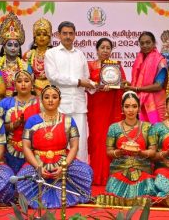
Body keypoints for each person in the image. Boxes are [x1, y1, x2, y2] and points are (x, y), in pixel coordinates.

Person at [16, 85, 92, 208]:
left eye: (54, 97)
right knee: (22, 180)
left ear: (60, 100)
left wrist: (64, 166)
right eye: (46, 97)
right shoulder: (32, 121)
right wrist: (38, 166)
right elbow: (26, 147)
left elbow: (74, 146)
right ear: (41, 100)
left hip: (62, 161)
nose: (50, 100)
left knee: (85, 172)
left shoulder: (68, 120)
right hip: (38, 162)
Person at [44, 21, 94, 163]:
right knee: (60, 141)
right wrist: (78, 82)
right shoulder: (51, 53)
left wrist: (94, 86)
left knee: (81, 142)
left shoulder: (80, 54)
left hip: (79, 105)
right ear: (58, 35)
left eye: (71, 33)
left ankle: (81, 176)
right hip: (59, 106)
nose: (67, 36)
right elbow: (53, 77)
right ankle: (59, 176)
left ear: (75, 35)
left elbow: (86, 78)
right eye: (64, 33)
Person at [104, 91, 156, 201]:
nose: (131, 110)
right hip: (120, 169)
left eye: (134, 106)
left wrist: (140, 153)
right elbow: (108, 151)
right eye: (127, 106)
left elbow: (153, 151)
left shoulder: (148, 127)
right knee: (115, 196)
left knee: (146, 195)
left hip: (142, 169)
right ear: (122, 108)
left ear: (139, 108)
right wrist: (120, 152)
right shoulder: (114, 128)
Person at [87, 38, 125, 185]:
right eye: (102, 47)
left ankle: (109, 176)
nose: (105, 50)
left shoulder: (115, 66)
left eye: (108, 48)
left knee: (109, 138)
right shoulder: (90, 65)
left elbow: (123, 84)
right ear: (96, 49)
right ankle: (96, 176)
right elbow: (86, 84)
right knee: (97, 140)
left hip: (111, 107)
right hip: (96, 106)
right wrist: (97, 86)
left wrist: (117, 85)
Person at [0, 70, 41, 173]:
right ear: (15, 85)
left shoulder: (41, 103)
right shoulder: (5, 103)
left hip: (35, 150)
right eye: (19, 81)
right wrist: (12, 125)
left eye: (26, 81)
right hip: (10, 151)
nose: (23, 84)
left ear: (32, 84)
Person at [126, 31, 167, 124]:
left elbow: (158, 86)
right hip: (141, 102)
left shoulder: (161, 61)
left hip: (157, 102)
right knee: (143, 132)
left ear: (154, 43)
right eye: (142, 43)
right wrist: (128, 84)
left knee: (158, 130)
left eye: (148, 42)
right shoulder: (139, 61)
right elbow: (139, 83)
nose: (145, 45)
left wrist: (136, 88)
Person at [0, 12, 30, 97]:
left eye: (16, 45)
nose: (13, 48)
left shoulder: (26, 67)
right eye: (10, 45)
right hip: (0, 101)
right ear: (4, 47)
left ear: (19, 48)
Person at [23, 18, 53, 94]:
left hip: (52, 88)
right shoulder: (28, 55)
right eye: (38, 34)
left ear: (49, 38)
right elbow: (25, 75)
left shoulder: (54, 54)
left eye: (45, 34)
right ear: (34, 38)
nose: (41, 37)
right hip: (33, 89)